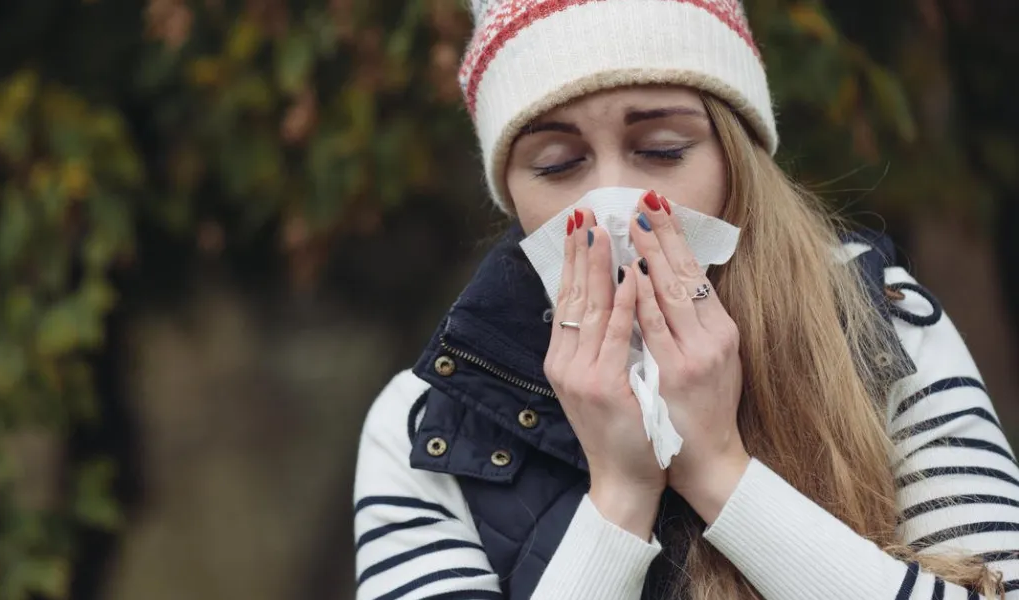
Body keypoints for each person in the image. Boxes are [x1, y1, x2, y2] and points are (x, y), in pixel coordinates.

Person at [352, 0, 1019, 598]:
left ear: (736, 156)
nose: (610, 203)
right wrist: (620, 495)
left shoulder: (884, 324)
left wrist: (718, 470)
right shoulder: (424, 423)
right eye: (557, 163)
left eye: (662, 150)